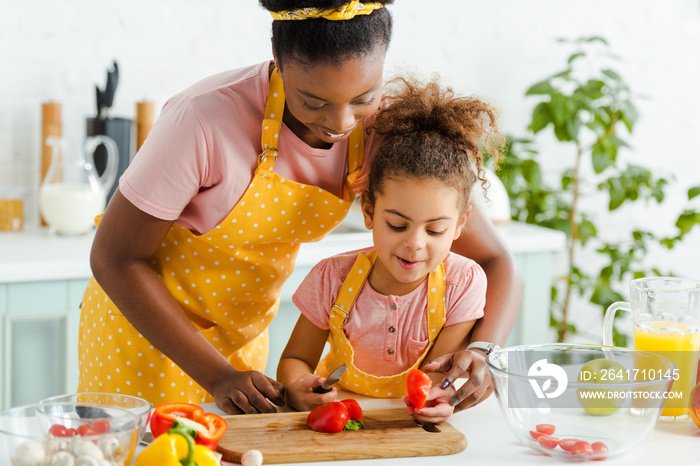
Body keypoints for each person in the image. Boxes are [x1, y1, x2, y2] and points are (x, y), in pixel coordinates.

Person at [78, 0, 522, 415]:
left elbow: (495, 261)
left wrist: (482, 351)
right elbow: (114, 258)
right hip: (141, 341)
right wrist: (216, 374)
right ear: (277, 56)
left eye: (363, 97)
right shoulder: (201, 120)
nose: (341, 123)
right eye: (313, 102)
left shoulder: (382, 129)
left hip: (242, 352)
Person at [277, 77, 500, 423]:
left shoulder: (463, 283)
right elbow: (294, 361)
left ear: (460, 224)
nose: (414, 243)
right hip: (338, 418)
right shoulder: (331, 277)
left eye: (436, 229)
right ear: (369, 211)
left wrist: (441, 398)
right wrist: (297, 385)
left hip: (408, 428)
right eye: (397, 225)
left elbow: (436, 377)